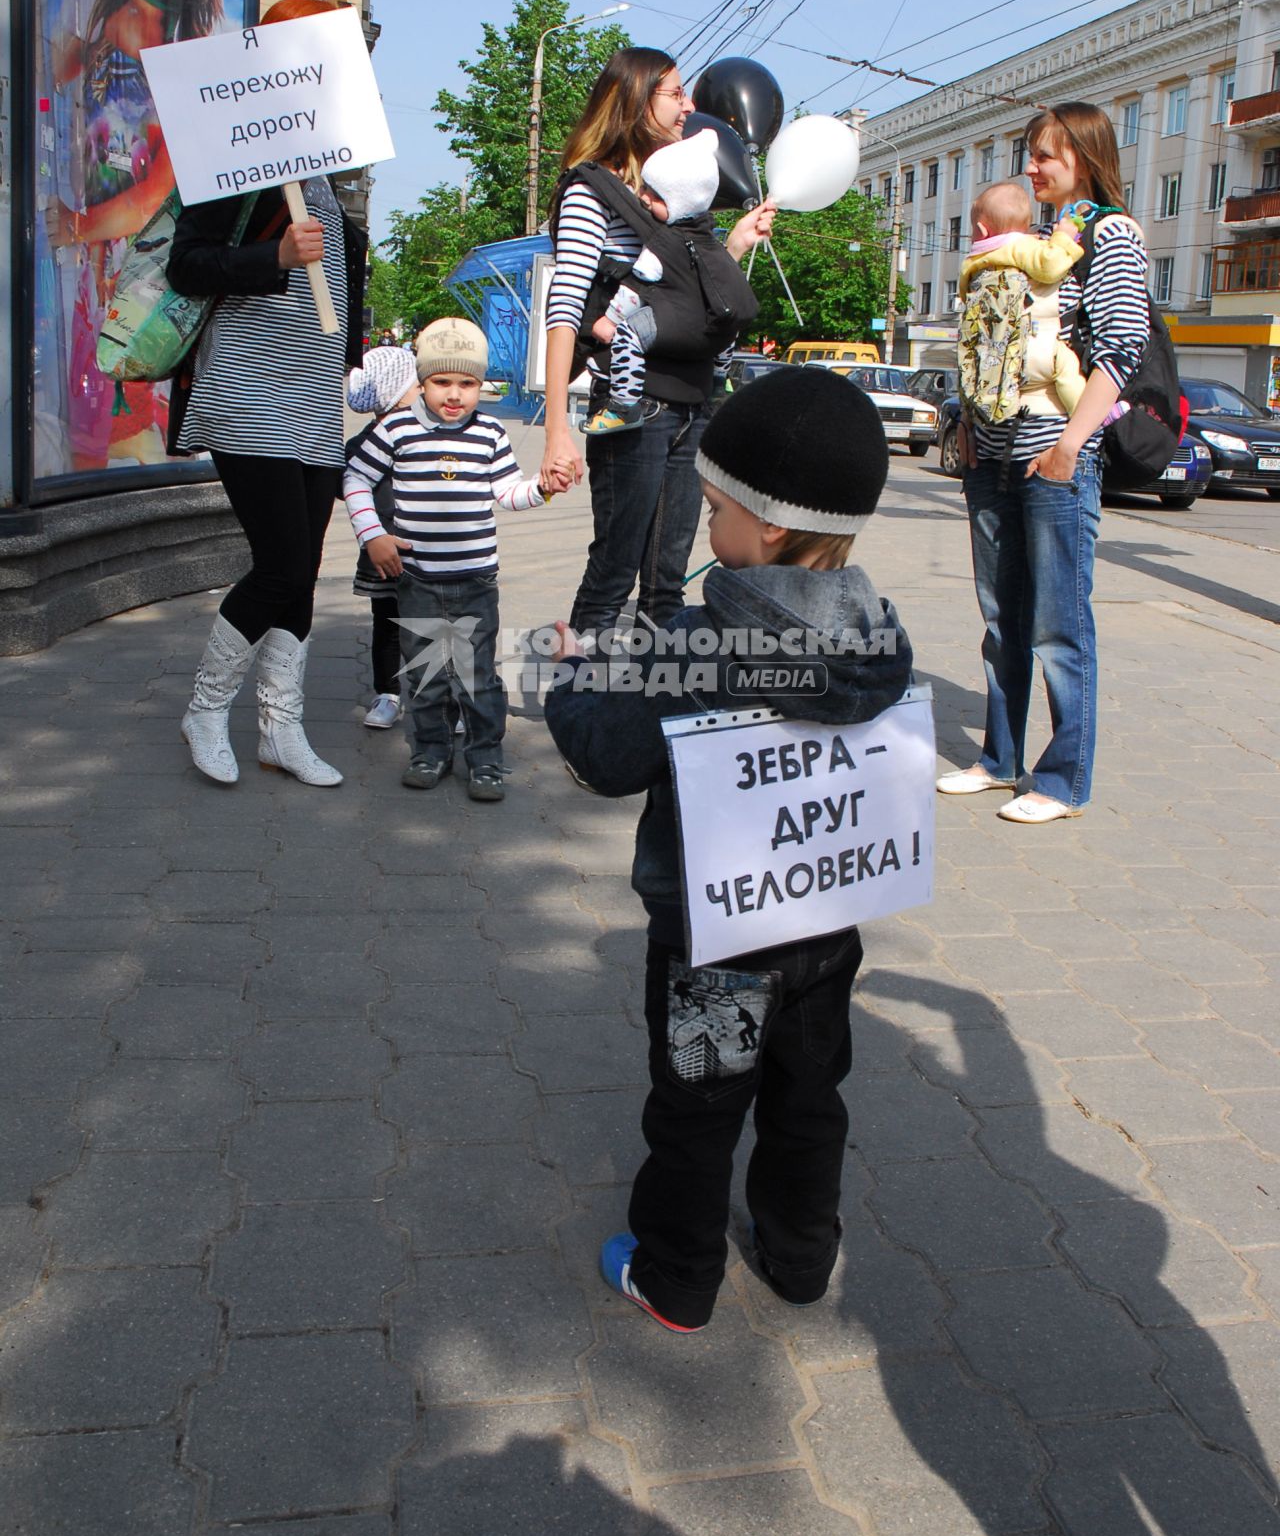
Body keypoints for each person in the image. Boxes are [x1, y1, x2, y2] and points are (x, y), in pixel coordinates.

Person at [545, 367, 913, 1331]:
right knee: (809, 1096)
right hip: (827, 927)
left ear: (773, 526)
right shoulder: (881, 635)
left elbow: (606, 753)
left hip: (720, 941)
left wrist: (568, 680)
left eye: (715, 509)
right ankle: (799, 1259)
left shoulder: (701, 644)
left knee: (700, 1109)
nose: (707, 529)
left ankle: (675, 1274)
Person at [167, 0, 368, 790]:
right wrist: (273, 255)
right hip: (249, 388)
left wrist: (353, 363)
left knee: (305, 565)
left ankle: (281, 728)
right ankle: (205, 708)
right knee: (280, 564)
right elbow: (189, 263)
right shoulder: (234, 161)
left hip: (314, 398)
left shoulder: (323, 168)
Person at [940, 102, 1150, 823]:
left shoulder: (1111, 236)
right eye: (1031, 153)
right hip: (992, 452)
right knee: (1003, 620)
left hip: (1055, 453)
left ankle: (1061, 780)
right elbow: (988, 336)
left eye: (1047, 155)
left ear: (1086, 158)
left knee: (1060, 625)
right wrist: (967, 422)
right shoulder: (1027, 240)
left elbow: (1123, 349)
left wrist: (1069, 446)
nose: (1032, 167)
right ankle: (1000, 758)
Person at [539, 47, 776, 642]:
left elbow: (680, 293)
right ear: (637, 101)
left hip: (689, 407)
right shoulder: (591, 189)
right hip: (630, 408)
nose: (691, 106)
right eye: (675, 94)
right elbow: (565, 308)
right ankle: (581, 698)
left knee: (667, 582)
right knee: (614, 570)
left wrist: (736, 245)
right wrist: (556, 432)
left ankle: (656, 712)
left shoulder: (676, 192)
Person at [47, 0, 222, 469]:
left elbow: (159, 192)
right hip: (87, 275)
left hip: (147, 279)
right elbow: (45, 78)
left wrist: (74, 226)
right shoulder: (92, 9)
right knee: (82, 452)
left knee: (131, 449)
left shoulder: (189, 46)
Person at [342, 316, 565, 803]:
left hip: (476, 578)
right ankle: (430, 750)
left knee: (476, 674)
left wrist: (543, 489)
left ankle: (485, 757)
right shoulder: (397, 428)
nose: (454, 394)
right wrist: (372, 535)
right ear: (421, 382)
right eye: (442, 382)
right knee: (424, 672)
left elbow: (507, 492)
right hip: (415, 577)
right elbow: (356, 479)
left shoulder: (489, 433)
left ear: (480, 386)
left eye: (467, 383)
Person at [584, 126, 726, 435]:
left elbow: (635, 291)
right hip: (703, 341)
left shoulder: (660, 245)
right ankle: (718, 384)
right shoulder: (709, 242)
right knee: (725, 341)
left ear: (680, 200)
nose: (643, 198)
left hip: (664, 328)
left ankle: (623, 404)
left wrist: (609, 321)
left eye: (654, 194)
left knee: (628, 336)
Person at [958, 180, 1087, 421]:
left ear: (981, 229)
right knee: (1067, 367)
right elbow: (1050, 266)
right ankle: (1087, 416)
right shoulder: (1019, 246)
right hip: (1034, 346)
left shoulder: (976, 259)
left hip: (993, 343)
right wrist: (1063, 238)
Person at [345, 345, 423, 729]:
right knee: (388, 624)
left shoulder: (432, 432)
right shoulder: (364, 444)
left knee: (439, 625)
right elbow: (347, 485)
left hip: (431, 553)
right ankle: (387, 693)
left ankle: (444, 697)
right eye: (417, 384)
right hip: (384, 553)